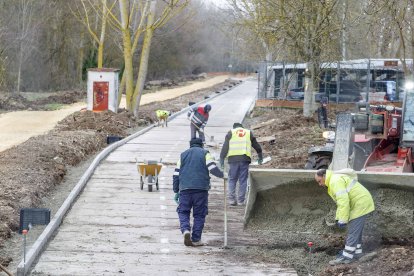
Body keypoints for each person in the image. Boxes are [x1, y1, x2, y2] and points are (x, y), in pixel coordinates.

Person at [314, 168, 375, 265]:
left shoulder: (335, 181)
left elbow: (343, 202)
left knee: (352, 232)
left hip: (360, 204)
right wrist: (339, 218)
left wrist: (342, 220)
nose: (320, 184)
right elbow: (340, 203)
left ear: (324, 176)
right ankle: (357, 253)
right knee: (356, 231)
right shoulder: (334, 180)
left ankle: (347, 257)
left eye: (319, 181)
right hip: (360, 203)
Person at [173, 137, 224, 246]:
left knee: (183, 211)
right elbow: (212, 168)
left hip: (185, 189)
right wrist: (222, 175)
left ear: (190, 145)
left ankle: (186, 230)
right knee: (199, 214)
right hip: (201, 190)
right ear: (201, 145)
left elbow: (176, 174)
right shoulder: (205, 153)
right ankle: (196, 239)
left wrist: (176, 190)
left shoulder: (183, 155)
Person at [220, 122, 263, 206]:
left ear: (234, 127)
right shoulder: (248, 132)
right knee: (243, 180)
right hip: (244, 159)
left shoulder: (230, 132)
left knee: (232, 179)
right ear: (241, 127)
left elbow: (225, 147)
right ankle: (241, 201)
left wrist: (221, 158)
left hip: (233, 160)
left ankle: (232, 200)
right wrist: (260, 156)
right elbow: (257, 146)